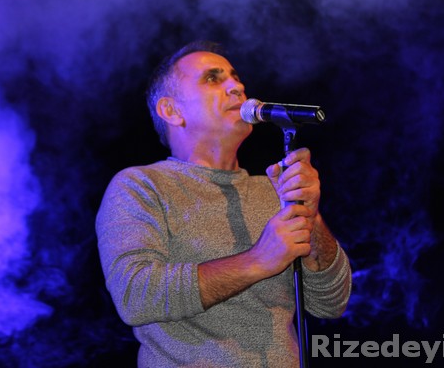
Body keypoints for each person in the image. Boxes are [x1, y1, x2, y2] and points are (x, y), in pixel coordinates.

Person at [96, 41, 352, 367]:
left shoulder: (274, 190)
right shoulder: (141, 186)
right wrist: (259, 260)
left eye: (236, 78)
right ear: (171, 111)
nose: (237, 87)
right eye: (213, 79)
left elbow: (331, 302)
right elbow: (135, 296)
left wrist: (311, 215)